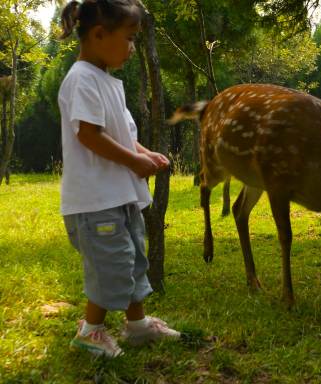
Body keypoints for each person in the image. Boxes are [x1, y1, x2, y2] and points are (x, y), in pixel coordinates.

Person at [58, 0, 179, 358]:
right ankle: (90, 331)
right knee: (111, 265)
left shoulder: (107, 81)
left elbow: (120, 133)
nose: (132, 47)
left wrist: (142, 154)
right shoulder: (81, 79)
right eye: (128, 38)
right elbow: (90, 136)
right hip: (95, 201)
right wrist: (134, 161)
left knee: (133, 262)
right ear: (98, 34)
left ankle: (137, 326)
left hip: (118, 196)